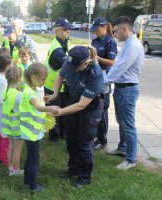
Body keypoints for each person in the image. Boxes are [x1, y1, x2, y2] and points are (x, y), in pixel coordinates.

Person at [45, 46, 104, 188]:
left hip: (90, 107)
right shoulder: (70, 62)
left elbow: (82, 105)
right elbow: (60, 75)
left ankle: (84, 177)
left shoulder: (95, 74)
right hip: (74, 100)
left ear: (85, 63)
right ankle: (73, 168)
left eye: (74, 67)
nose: (70, 69)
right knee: (71, 139)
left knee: (84, 143)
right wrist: (55, 94)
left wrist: (59, 112)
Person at [105, 16, 144, 170]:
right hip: (121, 88)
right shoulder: (128, 44)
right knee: (122, 121)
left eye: (115, 31)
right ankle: (122, 147)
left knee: (128, 125)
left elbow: (120, 68)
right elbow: (116, 67)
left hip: (128, 89)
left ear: (124, 29)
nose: (114, 34)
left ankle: (131, 159)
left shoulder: (133, 46)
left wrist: (102, 83)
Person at [20, 63, 60, 192]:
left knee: (30, 157)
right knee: (34, 159)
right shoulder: (29, 92)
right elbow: (37, 106)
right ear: (33, 77)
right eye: (42, 79)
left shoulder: (31, 89)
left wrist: (45, 113)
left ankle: (27, 180)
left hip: (30, 130)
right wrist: (50, 107)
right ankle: (33, 186)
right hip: (31, 132)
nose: (44, 82)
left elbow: (35, 110)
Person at [90, 17, 118, 150]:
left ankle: (102, 138)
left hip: (105, 78)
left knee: (103, 108)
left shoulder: (110, 42)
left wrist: (98, 58)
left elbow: (112, 62)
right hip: (94, 76)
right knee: (94, 106)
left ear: (104, 27)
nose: (95, 31)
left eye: (97, 29)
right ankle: (95, 135)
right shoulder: (95, 41)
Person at [44, 17, 72, 143]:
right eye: (65, 29)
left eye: (69, 29)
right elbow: (68, 63)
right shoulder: (56, 48)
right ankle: (54, 137)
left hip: (62, 84)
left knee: (64, 110)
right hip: (52, 85)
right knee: (53, 111)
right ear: (57, 31)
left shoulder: (66, 42)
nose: (68, 31)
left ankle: (63, 134)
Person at [2, 66, 24, 176]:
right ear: (19, 78)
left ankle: (10, 168)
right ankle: (16, 171)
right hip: (17, 126)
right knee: (17, 151)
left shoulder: (5, 92)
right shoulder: (19, 95)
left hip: (8, 125)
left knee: (11, 147)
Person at [0, 54, 13, 166]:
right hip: (3, 110)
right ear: (7, 67)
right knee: (5, 134)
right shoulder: (3, 81)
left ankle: (0, 155)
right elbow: (2, 98)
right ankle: (4, 158)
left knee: (0, 131)